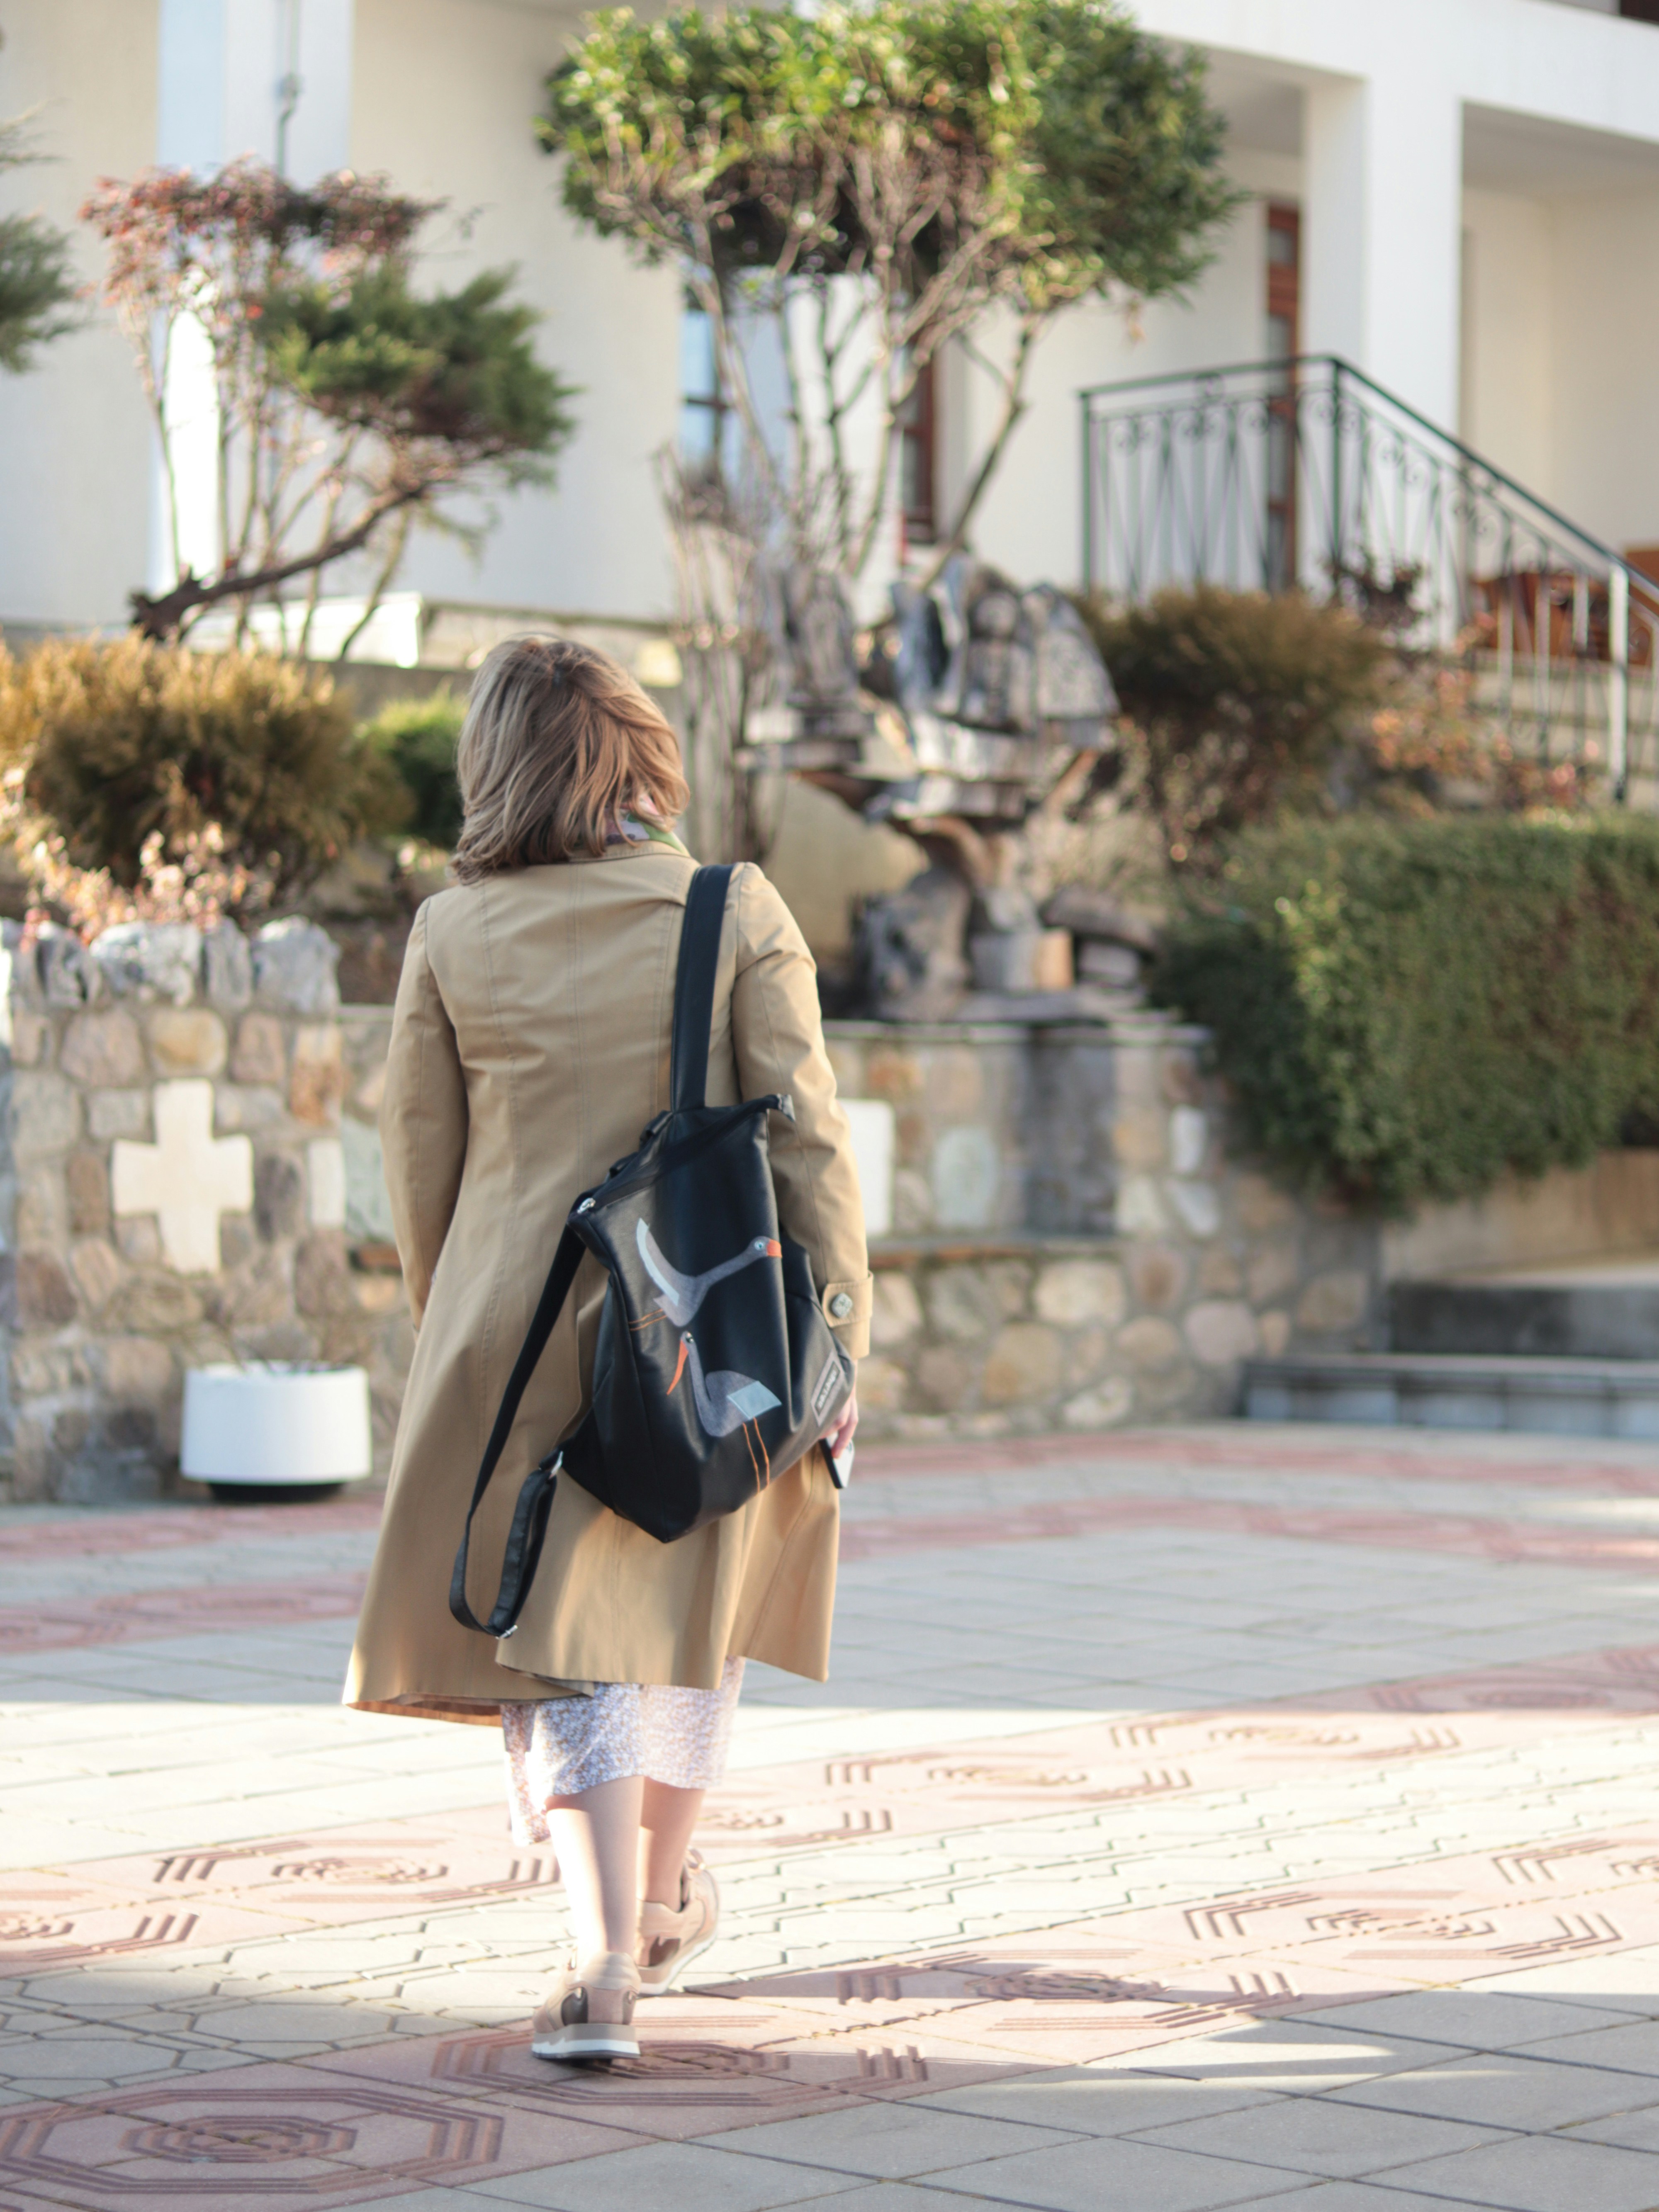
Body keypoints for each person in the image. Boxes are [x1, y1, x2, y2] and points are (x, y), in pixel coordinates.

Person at [343, 636, 869, 2066]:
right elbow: (810, 1143)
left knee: (556, 1648)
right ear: (639, 752)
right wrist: (838, 1344)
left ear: (497, 767)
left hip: (509, 1339)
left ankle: (604, 1956)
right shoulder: (731, 907)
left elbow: (420, 1166)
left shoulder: (453, 932)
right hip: (707, 1334)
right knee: (689, 1619)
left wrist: (450, 1334)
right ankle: (635, 1929)